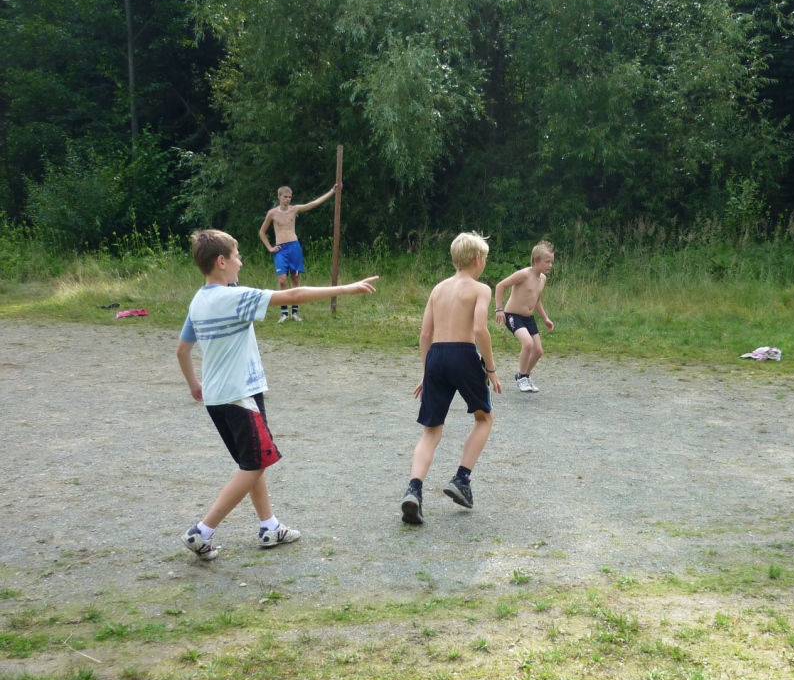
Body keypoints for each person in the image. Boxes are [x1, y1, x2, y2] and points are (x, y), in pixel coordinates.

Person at [177, 229, 378, 559]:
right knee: (255, 463)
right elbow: (294, 295)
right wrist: (346, 288)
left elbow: (182, 350)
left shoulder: (199, 300)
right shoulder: (233, 298)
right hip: (240, 396)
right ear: (221, 261)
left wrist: (194, 385)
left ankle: (269, 526)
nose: (241, 262)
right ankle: (202, 531)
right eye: (237, 256)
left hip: (217, 398)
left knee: (252, 462)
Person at [400, 232, 503, 525]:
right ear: (477, 260)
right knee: (484, 418)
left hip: (436, 356)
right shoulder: (481, 289)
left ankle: (414, 490)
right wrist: (491, 369)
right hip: (463, 355)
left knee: (431, 430)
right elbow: (480, 330)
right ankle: (461, 479)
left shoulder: (438, 289)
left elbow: (425, 334)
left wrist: (426, 373)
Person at [258, 183, 338, 322]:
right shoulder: (273, 213)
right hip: (280, 248)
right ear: (279, 197)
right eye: (285, 197)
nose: (288, 199)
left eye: (289, 197)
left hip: (294, 246)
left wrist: (332, 191)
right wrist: (270, 247)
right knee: (282, 280)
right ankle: (284, 312)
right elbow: (262, 232)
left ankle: (295, 312)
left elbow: (314, 203)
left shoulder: (294, 209)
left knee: (295, 278)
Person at [494, 241, 555, 392]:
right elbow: (500, 286)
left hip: (528, 318)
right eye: (547, 261)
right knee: (528, 343)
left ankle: (524, 375)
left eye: (551, 262)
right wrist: (499, 309)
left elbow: (537, 300)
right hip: (513, 316)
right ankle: (522, 379)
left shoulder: (542, 279)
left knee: (538, 351)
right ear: (536, 261)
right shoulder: (523, 274)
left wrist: (545, 318)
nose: (550, 265)